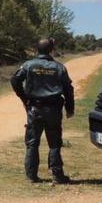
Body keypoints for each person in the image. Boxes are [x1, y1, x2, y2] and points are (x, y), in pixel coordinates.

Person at [10, 38, 75, 184]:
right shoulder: (59, 67)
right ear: (52, 50)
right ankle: (57, 175)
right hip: (53, 110)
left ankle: (31, 176)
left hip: (35, 109)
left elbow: (15, 80)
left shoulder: (28, 65)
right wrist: (70, 109)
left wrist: (24, 98)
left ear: (36, 50)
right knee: (54, 143)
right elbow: (68, 90)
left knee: (32, 142)